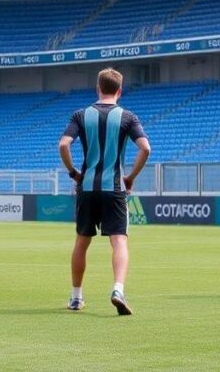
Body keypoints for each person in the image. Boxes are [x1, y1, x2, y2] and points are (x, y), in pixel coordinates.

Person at [58, 68, 151, 315]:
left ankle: (76, 297)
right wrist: (130, 177)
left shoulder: (80, 115)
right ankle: (118, 289)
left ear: (97, 88)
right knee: (119, 241)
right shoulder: (128, 117)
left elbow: (63, 144)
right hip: (115, 187)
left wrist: (73, 173)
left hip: (87, 186)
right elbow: (145, 149)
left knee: (82, 241)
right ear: (119, 91)